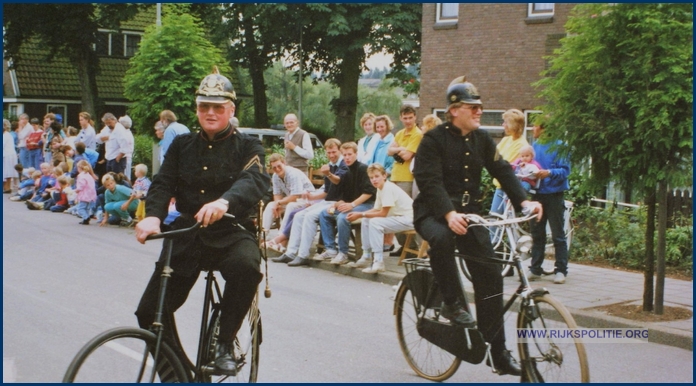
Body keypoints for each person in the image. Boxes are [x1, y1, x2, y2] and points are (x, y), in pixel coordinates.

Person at [134, 66, 270, 376]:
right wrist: (153, 217)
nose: (210, 112)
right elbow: (162, 182)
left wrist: (225, 201)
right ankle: (181, 376)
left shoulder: (248, 146)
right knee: (149, 313)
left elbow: (255, 179)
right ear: (196, 109)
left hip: (231, 232)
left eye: (218, 107)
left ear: (230, 110)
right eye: (204, 106)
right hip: (189, 235)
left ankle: (223, 343)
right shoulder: (182, 146)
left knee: (247, 268)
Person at [412, 76, 542, 376]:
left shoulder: (482, 139)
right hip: (433, 213)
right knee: (443, 239)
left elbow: (503, 171)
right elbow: (429, 182)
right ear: (454, 110)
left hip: (469, 214)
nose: (479, 111)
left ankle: (497, 352)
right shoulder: (433, 140)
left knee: (491, 275)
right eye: (473, 107)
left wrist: (524, 203)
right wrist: (447, 213)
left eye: (480, 106)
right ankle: (452, 303)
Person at [272, 138, 349, 266]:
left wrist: (328, 174)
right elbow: (327, 191)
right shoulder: (330, 165)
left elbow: (338, 181)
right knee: (298, 215)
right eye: (329, 152)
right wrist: (312, 197)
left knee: (309, 216)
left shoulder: (343, 165)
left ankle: (303, 254)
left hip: (338, 202)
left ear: (339, 151)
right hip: (327, 201)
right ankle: (290, 253)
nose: (331, 155)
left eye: (334, 152)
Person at [346, 163, 414, 273]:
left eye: (377, 176)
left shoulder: (387, 188)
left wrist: (360, 214)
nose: (374, 180)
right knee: (366, 219)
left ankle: (378, 261)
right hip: (399, 217)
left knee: (375, 223)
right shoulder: (380, 188)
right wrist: (361, 214)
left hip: (410, 219)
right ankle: (366, 254)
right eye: (371, 178)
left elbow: (383, 213)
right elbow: (377, 209)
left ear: (384, 175)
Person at [318, 142, 376, 265]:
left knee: (343, 217)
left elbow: (369, 193)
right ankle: (331, 249)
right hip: (352, 203)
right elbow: (344, 193)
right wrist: (338, 203)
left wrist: (352, 205)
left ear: (356, 154)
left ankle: (343, 253)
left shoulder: (363, 168)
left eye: (350, 154)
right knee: (324, 213)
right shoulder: (345, 170)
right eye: (345, 155)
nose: (347, 157)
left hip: (367, 204)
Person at [529, 122, 571, 284]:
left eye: (535, 126)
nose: (533, 129)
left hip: (554, 195)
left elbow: (565, 171)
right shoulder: (535, 145)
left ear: (545, 129)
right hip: (537, 195)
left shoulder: (561, 146)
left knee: (557, 234)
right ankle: (535, 269)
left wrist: (549, 173)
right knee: (537, 233)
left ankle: (561, 270)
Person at [262, 153, 315, 235]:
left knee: (290, 206)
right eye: (274, 167)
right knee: (270, 206)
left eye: (279, 166)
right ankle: (263, 236)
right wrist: (277, 204)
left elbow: (295, 196)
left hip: (308, 200)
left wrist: (279, 202)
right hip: (293, 201)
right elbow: (277, 194)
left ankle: (281, 236)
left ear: (284, 163)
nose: (277, 169)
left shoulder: (293, 174)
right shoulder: (275, 176)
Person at [489, 109, 529, 215]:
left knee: (498, 221)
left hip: (508, 188)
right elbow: (493, 156)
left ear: (513, 125)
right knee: (496, 220)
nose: (503, 125)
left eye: (505, 122)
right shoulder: (506, 139)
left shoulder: (522, 145)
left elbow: (504, 163)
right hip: (500, 187)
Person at [388, 104, 422, 198]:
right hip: (395, 175)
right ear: (400, 118)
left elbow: (406, 156)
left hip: (407, 178)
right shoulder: (399, 133)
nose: (408, 121)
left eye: (410, 118)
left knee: (404, 207)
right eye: (405, 118)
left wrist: (395, 150)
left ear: (415, 117)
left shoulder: (417, 134)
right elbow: (388, 151)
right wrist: (400, 149)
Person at [74, 160, 98, 225]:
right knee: (86, 208)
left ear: (79, 168)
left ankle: (86, 217)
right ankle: (85, 219)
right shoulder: (89, 175)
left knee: (80, 208)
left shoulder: (81, 176)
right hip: (90, 195)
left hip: (84, 195)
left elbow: (81, 185)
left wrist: (77, 190)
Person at [118, 115, 136, 180]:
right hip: (127, 157)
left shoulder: (125, 134)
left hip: (126, 157)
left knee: (125, 176)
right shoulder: (128, 133)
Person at [3, 119, 19, 193]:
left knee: (7, 172)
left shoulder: (6, 135)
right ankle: (5, 187)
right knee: (5, 171)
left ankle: (7, 188)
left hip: (8, 155)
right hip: (6, 155)